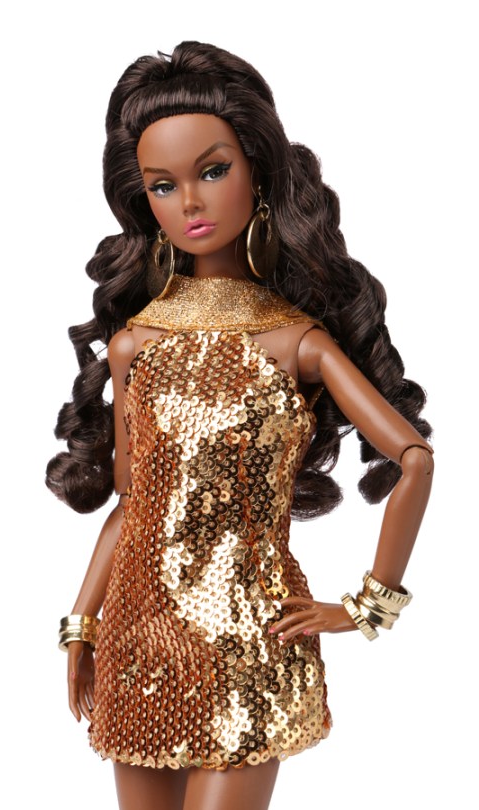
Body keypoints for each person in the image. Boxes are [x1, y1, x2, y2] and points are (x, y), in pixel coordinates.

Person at [47, 41, 434, 810]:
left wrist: (367, 608)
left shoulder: (294, 343)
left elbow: (414, 459)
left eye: (213, 171)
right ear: (144, 200)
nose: (190, 202)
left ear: (257, 172)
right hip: (139, 644)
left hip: (249, 645)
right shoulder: (134, 345)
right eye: (164, 185)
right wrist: (81, 624)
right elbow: (133, 503)